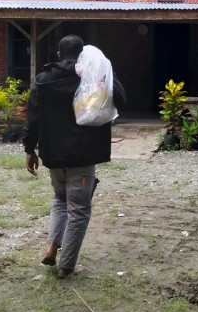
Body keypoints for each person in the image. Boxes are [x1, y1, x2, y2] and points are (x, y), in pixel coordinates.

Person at [22, 35, 126, 278]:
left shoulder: (42, 80)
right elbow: (121, 99)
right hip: (82, 155)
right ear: (81, 56)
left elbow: (32, 117)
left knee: (60, 200)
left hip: (53, 155)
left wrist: (29, 149)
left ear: (58, 55)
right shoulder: (92, 77)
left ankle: (51, 247)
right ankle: (66, 266)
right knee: (79, 210)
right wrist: (107, 71)